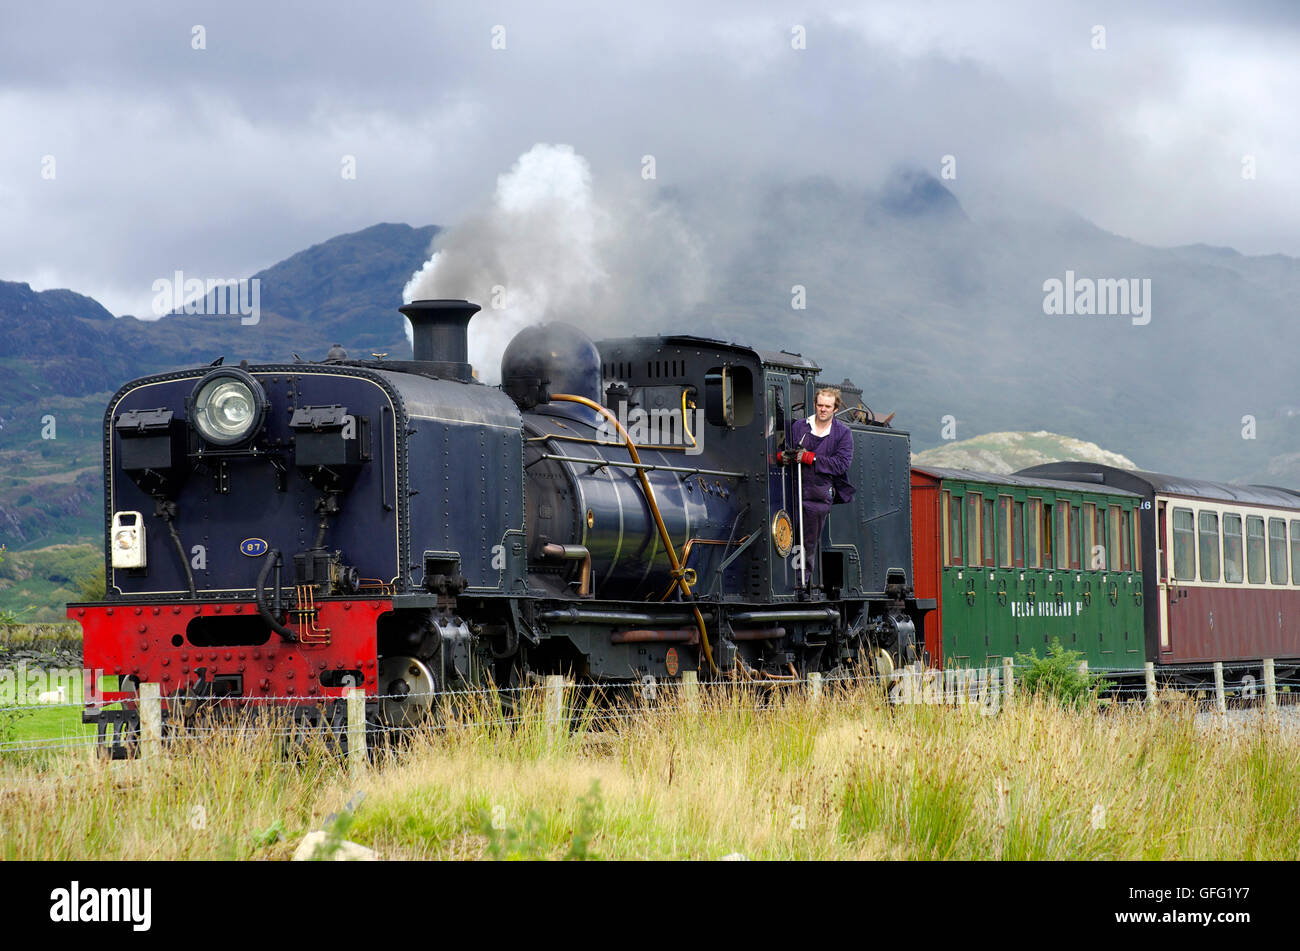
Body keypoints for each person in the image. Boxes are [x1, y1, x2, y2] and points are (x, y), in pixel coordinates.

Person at [783, 387, 856, 589]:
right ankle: (784, 579)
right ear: (815, 405)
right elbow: (785, 448)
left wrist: (811, 458)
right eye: (820, 405)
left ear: (835, 408)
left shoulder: (843, 434)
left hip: (818, 494)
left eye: (827, 406)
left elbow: (841, 464)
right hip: (792, 490)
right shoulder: (799, 427)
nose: (823, 409)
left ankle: (802, 582)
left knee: (807, 542)